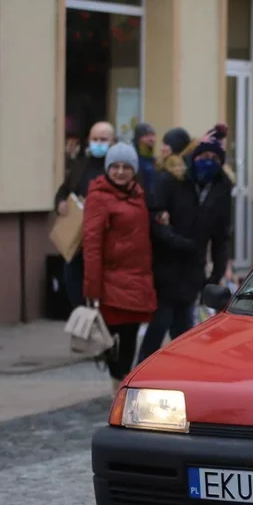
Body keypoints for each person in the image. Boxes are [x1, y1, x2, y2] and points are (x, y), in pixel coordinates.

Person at [136, 125, 233, 364]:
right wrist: (176, 241)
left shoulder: (221, 189)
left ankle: (177, 377)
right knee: (159, 324)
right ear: (193, 157)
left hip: (193, 269)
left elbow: (221, 236)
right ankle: (141, 373)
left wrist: (217, 273)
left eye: (213, 158)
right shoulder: (172, 180)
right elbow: (156, 219)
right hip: (165, 266)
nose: (207, 161)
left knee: (184, 331)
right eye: (203, 156)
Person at [82, 142, 157, 392]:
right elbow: (91, 244)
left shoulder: (138, 193)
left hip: (137, 280)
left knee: (129, 337)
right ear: (107, 169)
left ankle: (122, 385)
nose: (121, 172)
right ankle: (118, 386)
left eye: (126, 167)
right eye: (115, 167)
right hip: (111, 282)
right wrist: (92, 289)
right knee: (112, 339)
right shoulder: (99, 197)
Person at [54, 121, 116, 306]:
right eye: (95, 139)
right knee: (73, 286)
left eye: (103, 139)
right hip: (77, 243)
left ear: (113, 142)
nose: (98, 143)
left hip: (106, 243)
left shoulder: (117, 168)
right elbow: (62, 191)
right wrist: (60, 203)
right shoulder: (79, 166)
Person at [133, 122, 158, 190]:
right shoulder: (133, 160)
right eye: (147, 135)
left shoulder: (155, 161)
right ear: (138, 139)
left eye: (153, 135)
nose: (151, 139)